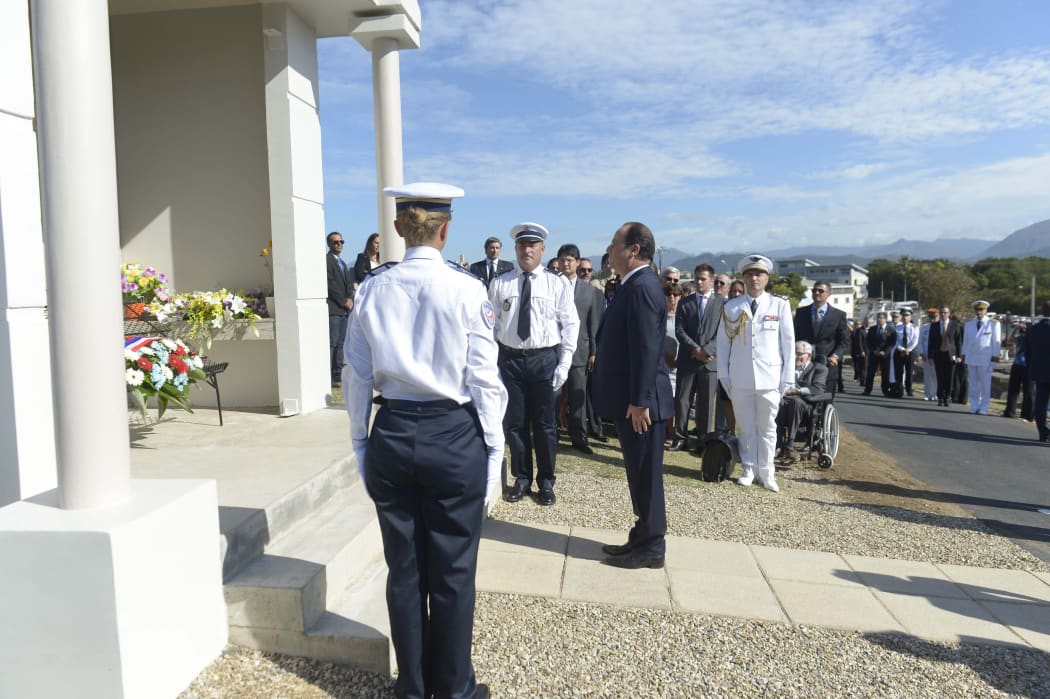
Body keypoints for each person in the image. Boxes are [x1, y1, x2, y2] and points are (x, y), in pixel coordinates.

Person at [343, 182, 504, 699]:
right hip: (452, 433)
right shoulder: (466, 289)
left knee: (404, 571)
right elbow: (484, 380)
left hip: (391, 430)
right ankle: (453, 688)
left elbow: (356, 375)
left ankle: (412, 688)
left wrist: (361, 442)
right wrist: (495, 450)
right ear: (445, 228)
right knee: (453, 572)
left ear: (397, 228)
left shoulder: (371, 287)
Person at [592, 221, 673, 569]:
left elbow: (646, 349)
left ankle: (653, 546)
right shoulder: (633, 284)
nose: (609, 250)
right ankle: (642, 534)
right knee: (636, 473)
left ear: (634, 250)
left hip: (642, 404)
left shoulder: (641, 287)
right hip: (634, 400)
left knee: (646, 475)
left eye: (614, 244)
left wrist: (640, 401)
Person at [490, 223, 579, 506]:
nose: (527, 250)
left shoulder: (557, 282)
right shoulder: (500, 283)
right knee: (515, 423)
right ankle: (522, 477)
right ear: (516, 249)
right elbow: (490, 326)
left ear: (542, 249)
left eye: (532, 246)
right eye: (522, 245)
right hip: (511, 359)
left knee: (545, 425)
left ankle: (546, 480)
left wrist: (564, 364)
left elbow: (571, 324)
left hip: (544, 360)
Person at [716, 254, 794, 493]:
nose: (754, 278)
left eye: (759, 273)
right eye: (750, 274)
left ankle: (767, 471)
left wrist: (788, 378)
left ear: (767, 278)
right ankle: (748, 469)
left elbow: (788, 344)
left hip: (770, 378)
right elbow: (723, 344)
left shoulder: (779, 305)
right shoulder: (731, 307)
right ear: (744, 278)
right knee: (745, 426)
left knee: (768, 427)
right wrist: (724, 376)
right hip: (740, 377)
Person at [672, 263, 724, 452]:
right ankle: (680, 437)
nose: (699, 282)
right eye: (696, 279)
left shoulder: (722, 303)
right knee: (682, 399)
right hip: (688, 359)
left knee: (706, 403)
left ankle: (702, 440)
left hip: (710, 362)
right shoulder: (686, 302)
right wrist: (696, 349)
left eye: (703, 279)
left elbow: (723, 332)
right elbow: (679, 330)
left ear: (711, 280)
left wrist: (707, 351)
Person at [557, 243, 603, 455]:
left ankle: (579, 437)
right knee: (554, 395)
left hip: (580, 350)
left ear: (577, 262)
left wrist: (593, 350)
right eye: (562, 260)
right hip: (554, 349)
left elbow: (593, 324)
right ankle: (551, 434)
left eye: (570, 260)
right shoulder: (551, 284)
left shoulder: (589, 291)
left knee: (578, 396)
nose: (566, 263)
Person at [775, 340, 828, 462]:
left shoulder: (819, 369)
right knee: (779, 403)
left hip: (807, 405)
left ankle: (790, 443)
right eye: (793, 353)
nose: (794, 356)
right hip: (785, 401)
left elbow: (818, 389)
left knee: (796, 402)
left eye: (798, 353)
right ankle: (778, 444)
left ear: (808, 355)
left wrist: (797, 391)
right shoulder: (785, 367)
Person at [793, 281, 848, 394]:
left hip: (827, 363)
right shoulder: (801, 313)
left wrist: (835, 356)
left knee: (825, 399)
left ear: (828, 294)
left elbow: (843, 341)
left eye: (821, 291)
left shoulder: (838, 315)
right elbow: (794, 336)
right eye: (814, 290)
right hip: (803, 363)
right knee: (802, 398)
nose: (817, 293)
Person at [961, 300, 1001, 415]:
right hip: (972, 357)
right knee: (973, 384)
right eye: (977, 310)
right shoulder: (969, 324)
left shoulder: (993, 324)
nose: (979, 312)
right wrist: (964, 355)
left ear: (986, 310)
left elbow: (996, 343)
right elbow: (966, 342)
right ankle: (974, 405)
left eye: (981, 310)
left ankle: (984, 407)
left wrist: (994, 360)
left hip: (985, 359)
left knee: (985, 384)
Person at [325, 231, 354, 387]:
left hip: (344, 310)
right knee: (332, 343)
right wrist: (343, 301)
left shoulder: (343, 263)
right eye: (336, 242)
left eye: (341, 242)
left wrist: (350, 299)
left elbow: (349, 284)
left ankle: (338, 373)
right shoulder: (327, 261)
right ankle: (328, 373)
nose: (339, 245)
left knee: (342, 343)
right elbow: (330, 284)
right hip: (334, 309)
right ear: (329, 244)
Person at [928, 305, 963, 407]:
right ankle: (940, 397)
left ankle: (947, 396)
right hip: (938, 354)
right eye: (942, 313)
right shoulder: (934, 325)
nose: (943, 315)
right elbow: (931, 341)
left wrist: (959, 356)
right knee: (940, 377)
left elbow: (958, 342)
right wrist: (930, 355)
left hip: (950, 355)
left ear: (949, 314)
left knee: (949, 377)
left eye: (945, 313)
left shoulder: (955, 325)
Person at [1027, 301, 1050, 443]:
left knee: (1040, 404)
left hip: (1039, 372)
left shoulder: (1033, 330)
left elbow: (1028, 353)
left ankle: (1043, 432)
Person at [1002, 321, 1033, 420]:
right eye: (1021, 331)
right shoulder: (1019, 339)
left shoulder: (1032, 339)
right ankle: (1010, 411)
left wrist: (1026, 328)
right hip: (1017, 365)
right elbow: (1009, 340)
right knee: (1013, 390)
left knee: (1028, 391)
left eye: (1023, 331)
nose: (1022, 332)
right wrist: (1015, 328)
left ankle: (1027, 414)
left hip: (1028, 366)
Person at [863, 311, 897, 396]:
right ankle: (867, 390)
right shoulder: (872, 329)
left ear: (885, 319)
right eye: (878, 318)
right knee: (870, 372)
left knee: (885, 373)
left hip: (885, 355)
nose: (880, 320)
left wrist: (885, 352)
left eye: (882, 318)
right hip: (874, 354)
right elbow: (868, 341)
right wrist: (873, 350)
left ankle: (885, 390)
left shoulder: (891, 330)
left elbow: (892, 343)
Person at [893, 309, 918, 397]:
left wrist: (908, 349)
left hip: (910, 352)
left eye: (907, 316)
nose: (905, 317)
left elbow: (915, 341)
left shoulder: (914, 327)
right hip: (899, 351)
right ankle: (899, 390)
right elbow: (896, 341)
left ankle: (909, 389)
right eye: (903, 315)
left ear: (910, 317)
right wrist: (902, 349)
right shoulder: (897, 327)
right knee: (898, 372)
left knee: (909, 371)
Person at [918, 308, 939, 401]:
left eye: (934, 318)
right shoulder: (925, 327)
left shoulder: (940, 327)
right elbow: (920, 342)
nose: (932, 320)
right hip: (926, 356)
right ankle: (927, 394)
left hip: (936, 356)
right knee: (927, 376)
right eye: (931, 318)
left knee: (936, 376)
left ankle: (935, 394)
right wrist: (922, 353)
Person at [850, 316, 869, 386]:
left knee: (863, 366)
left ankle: (861, 378)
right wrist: (861, 350)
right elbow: (858, 341)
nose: (858, 325)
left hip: (864, 351)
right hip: (856, 351)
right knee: (857, 366)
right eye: (857, 324)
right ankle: (859, 378)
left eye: (859, 324)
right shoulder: (856, 331)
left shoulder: (864, 330)